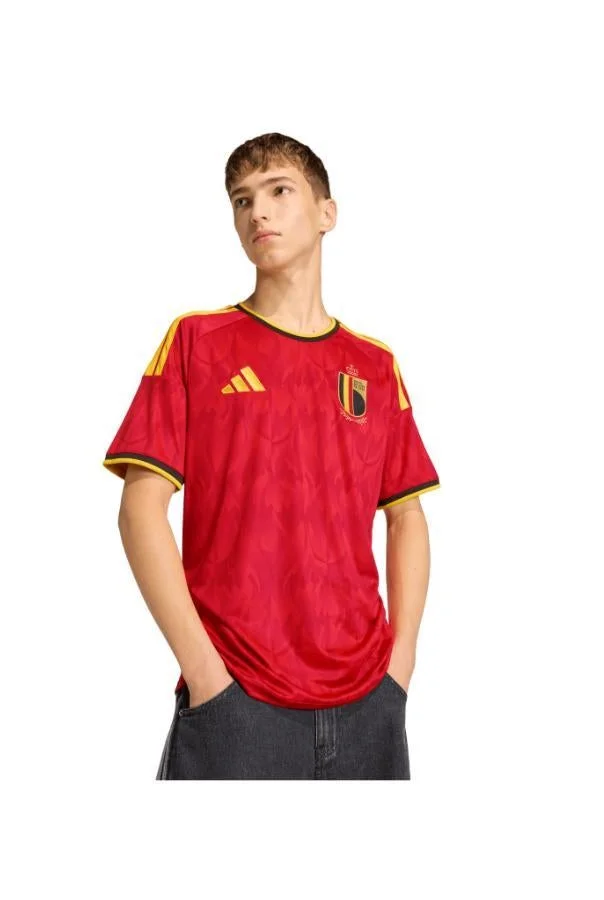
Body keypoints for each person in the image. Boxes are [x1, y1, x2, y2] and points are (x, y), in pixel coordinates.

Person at [102, 132, 440, 779]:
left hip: (369, 700)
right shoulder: (197, 341)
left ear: (326, 212)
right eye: (241, 200)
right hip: (235, 700)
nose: (257, 211)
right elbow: (139, 510)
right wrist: (205, 674)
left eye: (279, 191)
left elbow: (407, 516)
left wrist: (401, 667)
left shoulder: (374, 366)